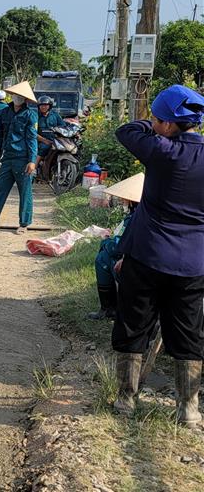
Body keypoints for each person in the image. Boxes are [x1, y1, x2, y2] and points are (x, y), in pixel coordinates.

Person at [110, 85, 204, 426]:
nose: (151, 122)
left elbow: (126, 131)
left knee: (134, 325)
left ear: (167, 125)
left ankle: (126, 400)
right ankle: (188, 409)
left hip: (148, 255)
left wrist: (153, 125)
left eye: (157, 118)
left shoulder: (160, 150)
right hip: (193, 262)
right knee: (188, 334)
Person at [0, 81, 39, 234]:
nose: (17, 98)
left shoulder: (30, 115)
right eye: (15, 95)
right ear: (11, 96)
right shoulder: (5, 112)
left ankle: (24, 223)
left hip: (23, 159)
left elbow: (32, 139)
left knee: (25, 192)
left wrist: (32, 161)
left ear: (25, 99)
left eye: (20, 96)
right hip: (7, 158)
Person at [89, 173, 143, 320]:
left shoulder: (135, 219)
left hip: (140, 268)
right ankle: (109, 308)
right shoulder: (140, 215)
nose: (122, 200)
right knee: (104, 256)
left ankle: (109, 308)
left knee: (104, 257)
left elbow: (117, 247)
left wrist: (105, 242)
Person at [35, 96, 66, 171]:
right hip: (40, 140)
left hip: (55, 139)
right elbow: (32, 132)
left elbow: (63, 126)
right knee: (44, 147)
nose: (43, 107)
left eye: (45, 105)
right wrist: (44, 140)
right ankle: (34, 168)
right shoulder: (35, 116)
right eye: (41, 105)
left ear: (49, 106)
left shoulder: (55, 115)